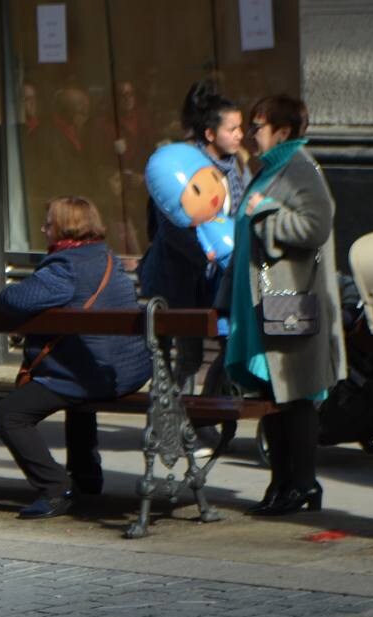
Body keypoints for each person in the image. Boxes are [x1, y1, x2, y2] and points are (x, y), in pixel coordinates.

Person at [223, 95, 346, 516]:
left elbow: (316, 224)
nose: (251, 135)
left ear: (283, 131)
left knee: (294, 396)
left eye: (257, 126)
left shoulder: (299, 167)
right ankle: (281, 483)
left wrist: (268, 212)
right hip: (264, 304)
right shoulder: (270, 170)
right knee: (272, 395)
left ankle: (303, 485)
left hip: (290, 301)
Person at [0, 197, 150, 519]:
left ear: (64, 227)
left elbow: (12, 299)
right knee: (75, 385)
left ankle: (54, 488)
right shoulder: (105, 256)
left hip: (92, 374)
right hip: (125, 369)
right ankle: (87, 477)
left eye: (48, 223)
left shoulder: (66, 265)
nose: (43, 228)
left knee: (8, 414)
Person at [139, 81, 246, 394]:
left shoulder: (236, 166)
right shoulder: (183, 170)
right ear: (210, 134)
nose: (240, 135)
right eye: (232, 129)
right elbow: (173, 228)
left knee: (227, 344)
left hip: (218, 276)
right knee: (188, 354)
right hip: (180, 278)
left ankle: (205, 414)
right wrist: (207, 257)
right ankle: (176, 418)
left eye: (241, 128)